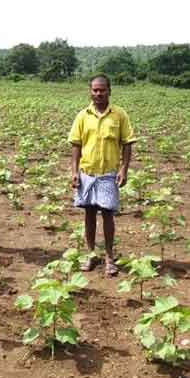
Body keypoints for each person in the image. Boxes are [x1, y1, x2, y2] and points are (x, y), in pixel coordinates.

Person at [68, 74, 137, 276]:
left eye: (102, 90)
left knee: (107, 214)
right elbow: (75, 145)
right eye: (95, 90)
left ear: (109, 91)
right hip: (87, 172)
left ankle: (109, 257)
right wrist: (74, 172)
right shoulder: (83, 116)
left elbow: (127, 143)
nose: (98, 93)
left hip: (108, 173)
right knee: (88, 213)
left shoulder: (119, 115)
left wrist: (124, 169)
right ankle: (91, 254)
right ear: (90, 91)